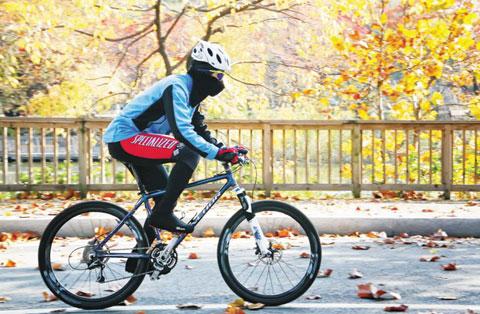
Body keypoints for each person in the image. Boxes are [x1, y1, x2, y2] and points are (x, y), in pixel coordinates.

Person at [103, 41, 245, 240]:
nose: (221, 81)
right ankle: (163, 215)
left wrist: (223, 149)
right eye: (218, 75)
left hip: (139, 140)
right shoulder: (176, 87)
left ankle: (141, 260)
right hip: (125, 137)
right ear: (202, 72)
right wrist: (215, 153)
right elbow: (182, 132)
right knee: (188, 153)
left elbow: (199, 129)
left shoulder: (192, 96)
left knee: (163, 197)